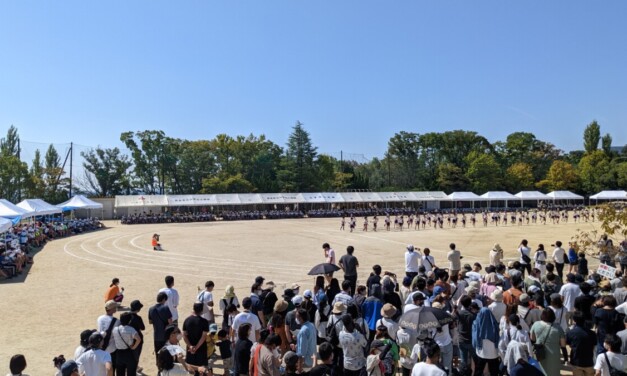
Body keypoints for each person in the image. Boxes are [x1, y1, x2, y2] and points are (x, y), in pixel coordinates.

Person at [530, 308, 566, 376]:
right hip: (554, 356)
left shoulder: (535, 324)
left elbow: (532, 339)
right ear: (553, 316)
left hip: (540, 354)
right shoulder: (558, 328)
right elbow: (563, 345)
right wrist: (565, 357)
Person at [472, 307, 500, 376]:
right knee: (494, 372)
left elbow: (475, 338)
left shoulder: (477, 323)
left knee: (478, 371)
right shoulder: (494, 324)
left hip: (481, 353)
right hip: (493, 353)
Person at [567, 311, 596, 376]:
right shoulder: (592, 333)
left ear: (574, 320)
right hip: (589, 361)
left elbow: (569, 345)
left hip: (576, 361)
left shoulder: (570, 333)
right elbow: (593, 347)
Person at [112, 312, 142, 376]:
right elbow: (138, 339)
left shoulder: (115, 329)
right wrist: (133, 347)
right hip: (129, 353)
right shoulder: (131, 329)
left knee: (120, 373)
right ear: (129, 321)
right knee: (131, 372)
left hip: (119, 353)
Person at [183, 302, 209, 368]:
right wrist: (196, 348)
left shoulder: (187, 320)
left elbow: (184, 335)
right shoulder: (204, 322)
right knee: (202, 369)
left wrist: (190, 347)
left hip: (190, 350)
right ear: (201, 310)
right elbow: (203, 337)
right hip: (201, 349)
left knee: (191, 369)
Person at [149, 291, 173, 360]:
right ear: (163, 299)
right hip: (165, 335)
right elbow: (170, 322)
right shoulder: (165, 308)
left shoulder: (151, 309)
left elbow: (150, 322)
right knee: (167, 353)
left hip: (156, 335)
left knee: (158, 353)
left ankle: (159, 368)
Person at [97, 300, 120, 371]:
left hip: (101, 348)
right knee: (111, 369)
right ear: (112, 309)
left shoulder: (99, 318)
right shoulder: (116, 321)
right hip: (112, 349)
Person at [128, 299, 146, 369]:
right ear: (138, 309)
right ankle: (135, 368)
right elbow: (143, 328)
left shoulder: (125, 316)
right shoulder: (138, 318)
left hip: (127, 337)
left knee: (129, 354)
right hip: (137, 338)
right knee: (136, 354)